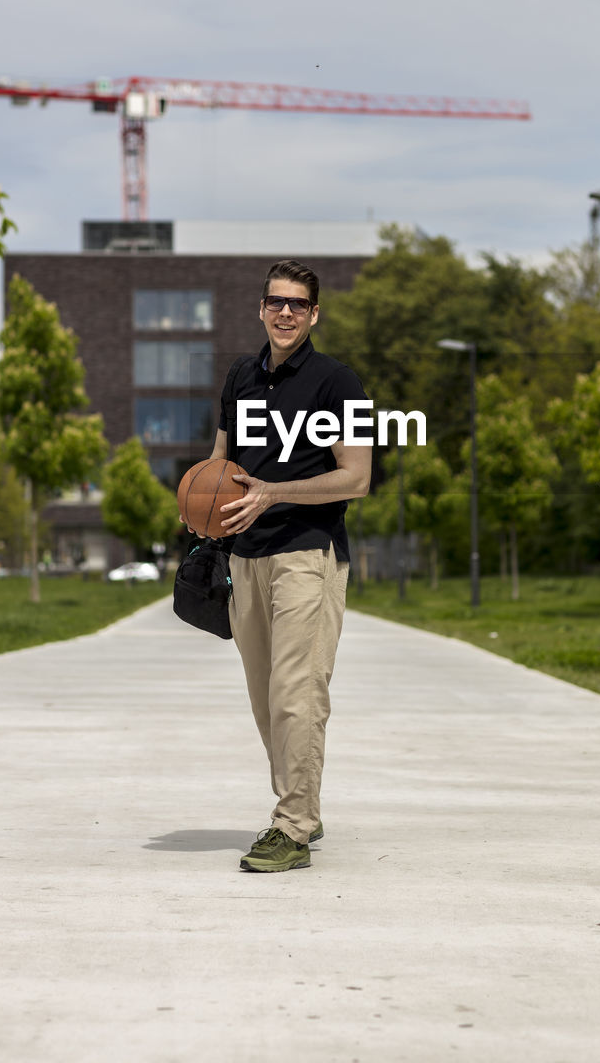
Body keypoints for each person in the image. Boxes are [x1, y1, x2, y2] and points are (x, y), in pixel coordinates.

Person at [188, 259, 371, 872]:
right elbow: (222, 462)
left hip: (306, 553)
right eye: (276, 302)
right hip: (245, 558)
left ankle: (291, 827)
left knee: (297, 693)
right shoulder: (240, 376)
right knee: (267, 698)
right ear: (261, 308)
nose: (285, 312)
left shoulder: (337, 383)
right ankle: (304, 807)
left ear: (314, 313)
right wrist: (203, 511)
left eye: (297, 304)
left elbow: (357, 477)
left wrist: (274, 492)